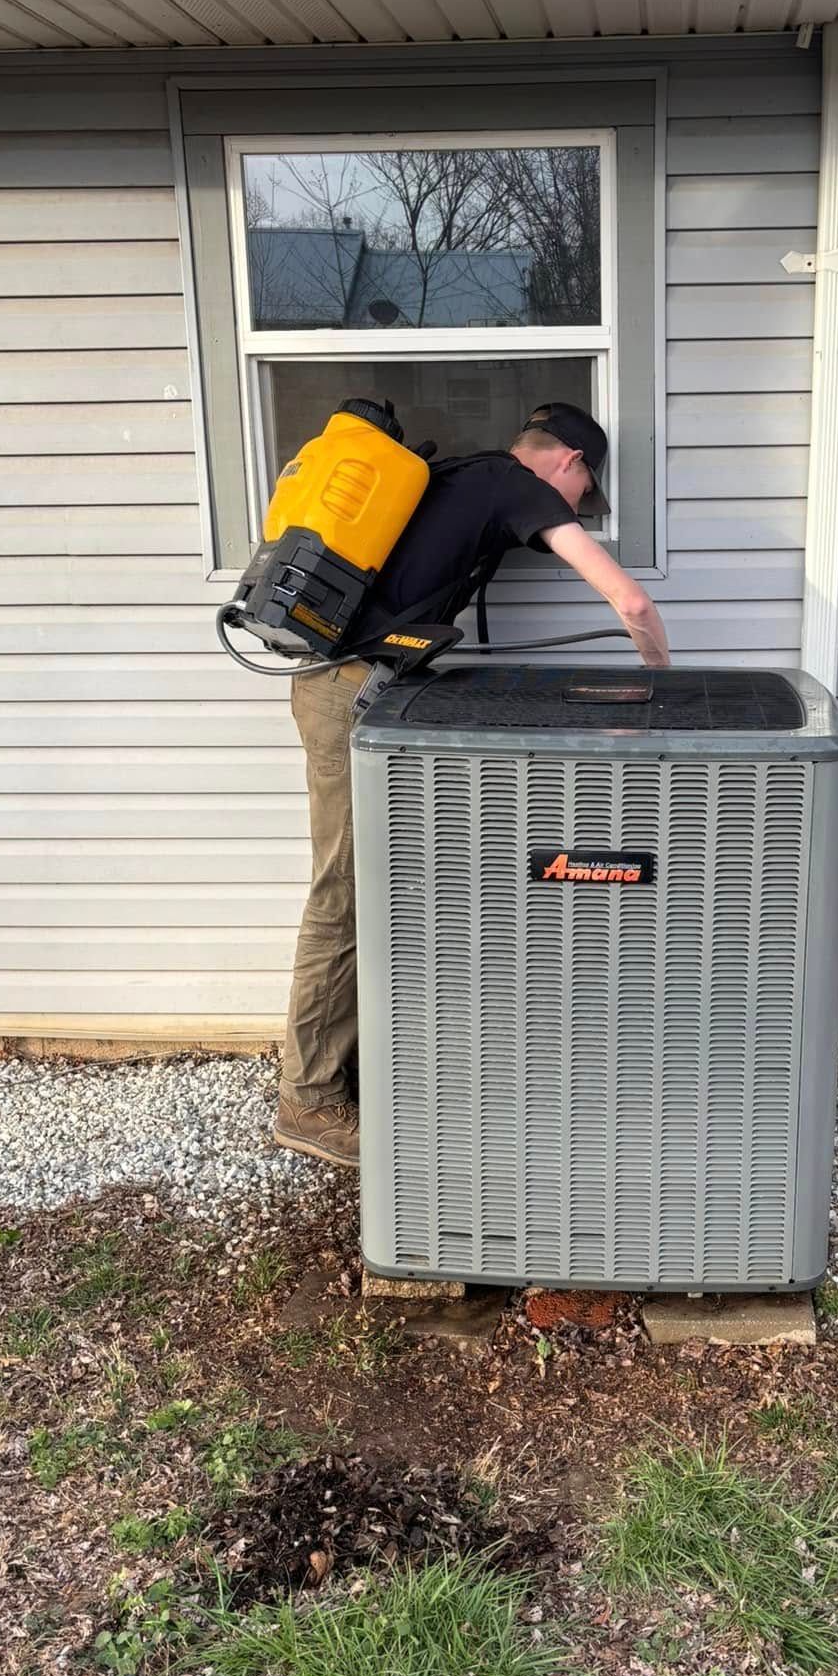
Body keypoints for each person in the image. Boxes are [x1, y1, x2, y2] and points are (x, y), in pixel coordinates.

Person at [275, 402, 671, 1169]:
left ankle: (340, 1065)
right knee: (342, 897)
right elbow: (630, 599)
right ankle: (308, 1102)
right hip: (348, 693)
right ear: (569, 463)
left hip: (352, 689)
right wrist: (666, 678)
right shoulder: (517, 486)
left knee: (372, 889)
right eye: (584, 496)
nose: (578, 509)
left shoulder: (461, 477)